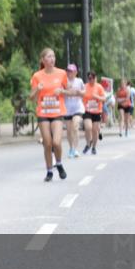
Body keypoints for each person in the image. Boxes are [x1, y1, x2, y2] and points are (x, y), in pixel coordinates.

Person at [30, 48, 70, 182]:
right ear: (43, 60)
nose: (52, 59)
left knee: (56, 142)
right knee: (47, 143)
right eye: (49, 56)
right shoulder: (37, 76)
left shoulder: (62, 73)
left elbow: (70, 91)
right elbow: (32, 97)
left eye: (53, 56)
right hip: (43, 113)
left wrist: (62, 91)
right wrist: (37, 89)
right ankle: (49, 171)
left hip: (57, 112)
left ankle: (58, 163)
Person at [63, 64, 86, 159]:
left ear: (76, 72)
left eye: (71, 71)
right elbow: (61, 92)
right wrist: (68, 91)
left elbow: (84, 93)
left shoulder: (79, 81)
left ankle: (75, 149)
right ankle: (71, 148)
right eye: (68, 71)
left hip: (77, 108)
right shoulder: (64, 81)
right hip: (67, 109)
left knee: (75, 126)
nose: (69, 73)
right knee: (69, 130)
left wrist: (79, 92)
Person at [81, 71, 105, 155]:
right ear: (88, 79)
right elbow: (80, 97)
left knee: (95, 130)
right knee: (88, 127)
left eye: (93, 78)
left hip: (97, 111)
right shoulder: (84, 87)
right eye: (90, 78)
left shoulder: (99, 87)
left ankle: (94, 147)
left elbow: (104, 98)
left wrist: (97, 97)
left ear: (95, 78)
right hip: (87, 110)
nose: (92, 80)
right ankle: (88, 144)